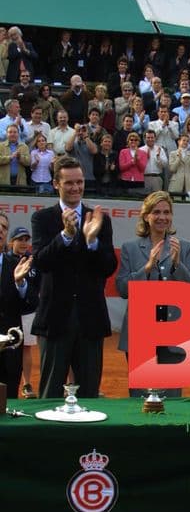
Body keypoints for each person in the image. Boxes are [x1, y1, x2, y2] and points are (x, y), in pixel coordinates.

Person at [31, 155, 117, 399]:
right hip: (56, 318)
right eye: (69, 183)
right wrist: (66, 236)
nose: (76, 188)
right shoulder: (43, 218)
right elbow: (41, 261)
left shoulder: (100, 220)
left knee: (89, 392)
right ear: (56, 184)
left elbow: (108, 266)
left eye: (79, 182)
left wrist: (91, 242)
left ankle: (89, 439)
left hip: (91, 318)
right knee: (50, 392)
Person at [116, 191, 190, 397]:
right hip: (141, 330)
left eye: (167, 212)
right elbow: (123, 288)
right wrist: (147, 267)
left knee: (171, 397)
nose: (162, 217)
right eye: (156, 212)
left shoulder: (184, 247)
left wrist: (178, 264)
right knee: (141, 397)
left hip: (173, 330)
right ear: (146, 216)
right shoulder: (130, 248)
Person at [0, 215, 37, 398]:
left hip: (9, 346)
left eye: (4, 227)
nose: (0, 229)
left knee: (9, 399)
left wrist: (20, 283)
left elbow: (32, 302)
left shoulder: (17, 266)